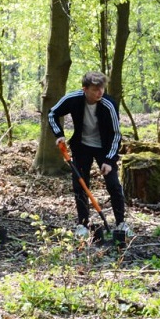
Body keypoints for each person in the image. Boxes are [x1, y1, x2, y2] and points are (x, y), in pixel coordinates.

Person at [47, 71, 129, 237]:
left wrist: (109, 159)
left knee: (113, 185)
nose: (100, 92)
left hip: (104, 149)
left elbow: (116, 134)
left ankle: (121, 223)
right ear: (85, 89)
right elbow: (52, 113)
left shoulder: (109, 105)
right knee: (80, 185)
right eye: (95, 89)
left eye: (102, 88)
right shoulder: (74, 99)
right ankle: (83, 225)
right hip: (82, 146)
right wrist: (59, 134)